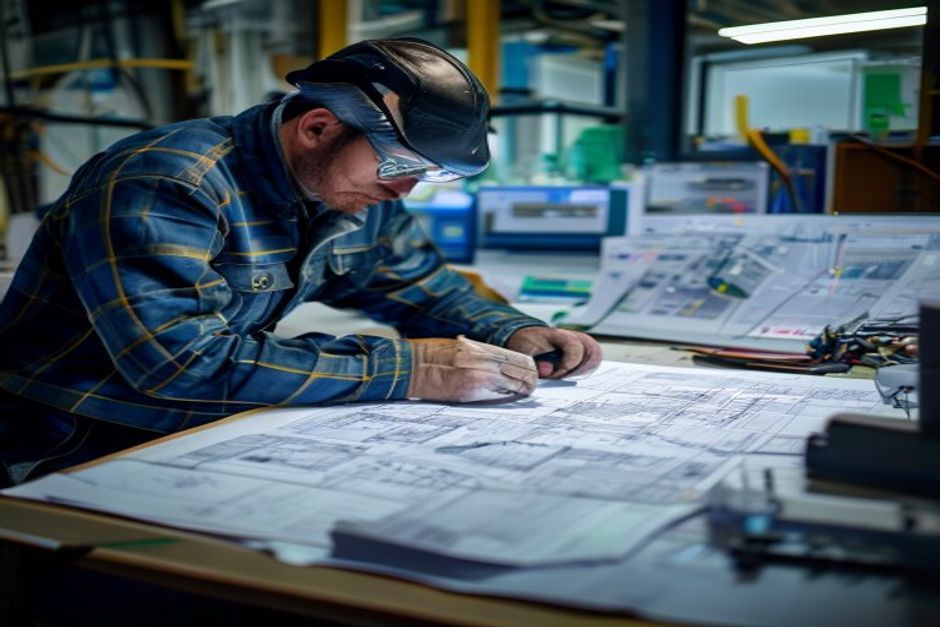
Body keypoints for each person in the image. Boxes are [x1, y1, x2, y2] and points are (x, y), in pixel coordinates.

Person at [0, 37, 601, 487]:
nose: (405, 191)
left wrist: (513, 331)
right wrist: (411, 368)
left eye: (428, 176)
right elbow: (181, 362)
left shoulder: (353, 190)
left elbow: (420, 287)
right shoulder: (168, 180)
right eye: (399, 167)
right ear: (318, 127)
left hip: (202, 422)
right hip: (70, 433)